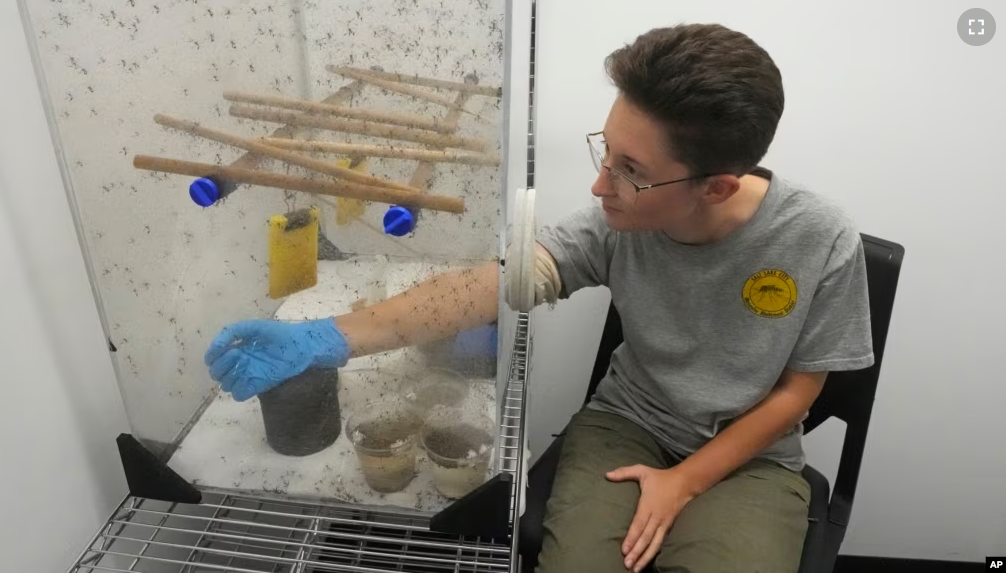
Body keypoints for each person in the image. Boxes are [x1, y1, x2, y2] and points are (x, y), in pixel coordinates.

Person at [204, 23, 873, 573]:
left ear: (717, 188)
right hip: (627, 424)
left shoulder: (818, 237)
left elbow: (797, 393)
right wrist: (328, 337)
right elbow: (488, 284)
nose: (599, 186)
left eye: (630, 171)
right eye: (604, 153)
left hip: (749, 455)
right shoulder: (614, 225)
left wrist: (684, 482)